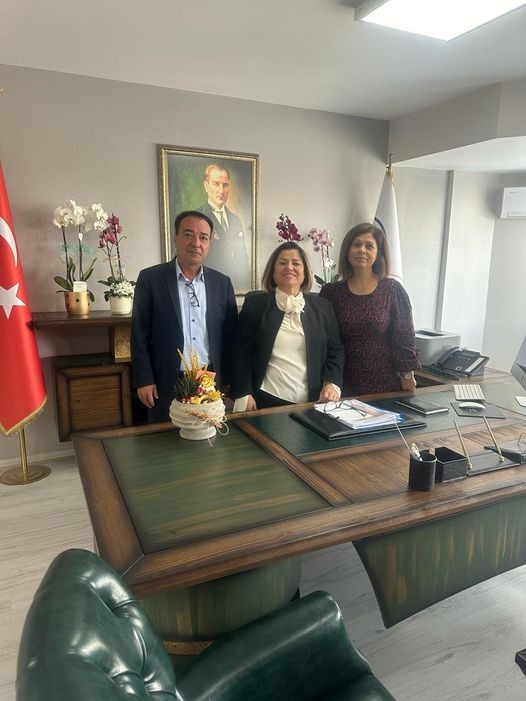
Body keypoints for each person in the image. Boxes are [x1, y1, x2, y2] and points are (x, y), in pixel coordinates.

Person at [131, 210, 238, 422]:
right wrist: (144, 379)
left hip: (209, 379)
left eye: (203, 237)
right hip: (164, 381)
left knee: (207, 436)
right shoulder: (151, 279)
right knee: (165, 437)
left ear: (209, 244)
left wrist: (229, 380)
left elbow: (231, 336)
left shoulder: (222, 283)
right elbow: (139, 334)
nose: (196, 243)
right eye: (188, 234)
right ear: (175, 237)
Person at [231, 241, 344, 411]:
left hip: (314, 402)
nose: (289, 267)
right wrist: (243, 392)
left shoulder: (323, 307)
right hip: (265, 400)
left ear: (305, 271)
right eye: (282, 263)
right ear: (273, 271)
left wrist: (332, 383)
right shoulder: (255, 305)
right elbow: (240, 353)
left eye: (296, 263)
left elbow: (336, 350)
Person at [319, 222, 418, 397]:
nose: (362, 250)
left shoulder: (392, 289)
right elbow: (323, 342)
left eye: (369, 246)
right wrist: (328, 381)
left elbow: (404, 336)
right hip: (341, 384)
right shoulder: (331, 293)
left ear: (378, 253)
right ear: (347, 250)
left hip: (385, 383)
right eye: (356, 244)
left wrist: (407, 374)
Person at [197, 164, 251, 289]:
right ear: (206, 186)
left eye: (225, 185)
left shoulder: (236, 220)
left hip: (233, 287)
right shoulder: (197, 218)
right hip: (206, 287)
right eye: (216, 184)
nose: (221, 191)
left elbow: (243, 258)